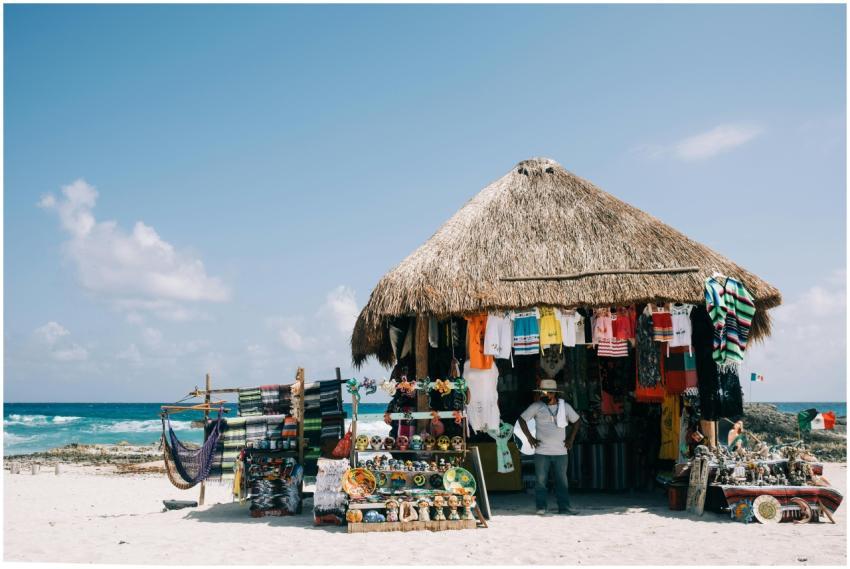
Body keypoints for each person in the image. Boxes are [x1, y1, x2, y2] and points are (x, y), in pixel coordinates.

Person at [517, 378, 582, 516]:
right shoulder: (537, 406)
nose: (545, 395)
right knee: (541, 482)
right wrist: (530, 438)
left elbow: (576, 421)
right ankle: (541, 507)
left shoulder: (565, 407)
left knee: (562, 482)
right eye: (543, 392)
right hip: (542, 451)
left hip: (561, 451)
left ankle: (564, 507)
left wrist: (571, 439)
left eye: (548, 393)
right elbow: (522, 419)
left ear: (554, 393)